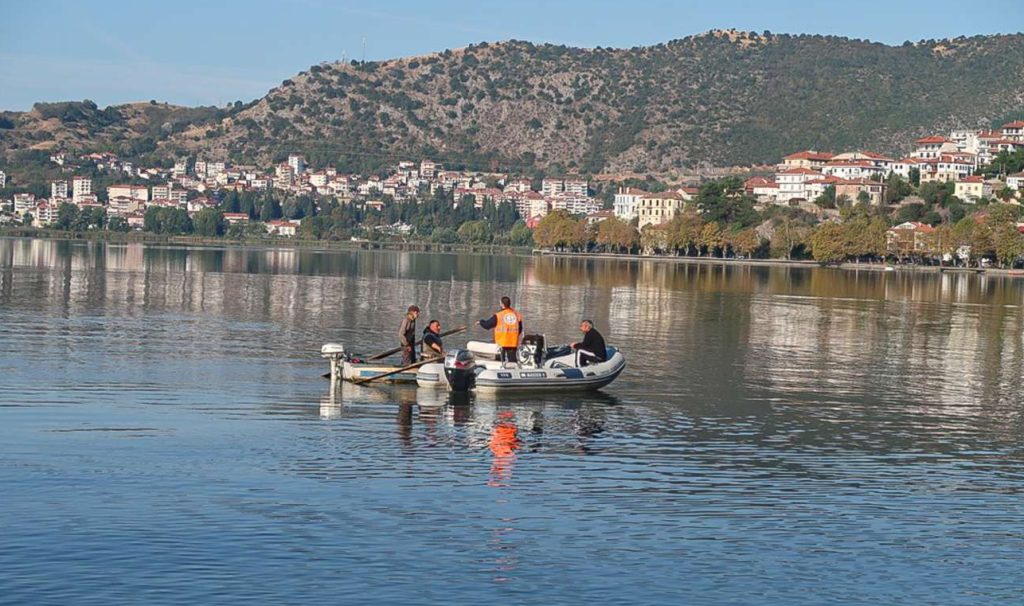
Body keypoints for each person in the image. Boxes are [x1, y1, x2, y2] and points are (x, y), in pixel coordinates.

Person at [479, 296, 523, 363]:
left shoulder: (498, 315)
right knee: (513, 362)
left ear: (502, 304)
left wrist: (481, 322)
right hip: (513, 342)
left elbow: (487, 325)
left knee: (499, 362)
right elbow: (520, 329)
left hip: (501, 342)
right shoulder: (516, 314)